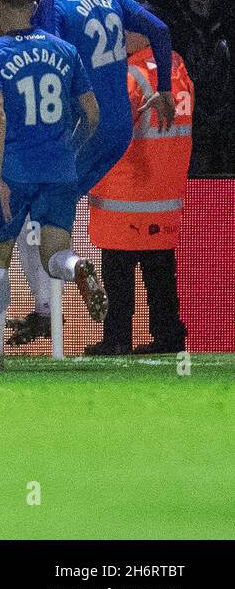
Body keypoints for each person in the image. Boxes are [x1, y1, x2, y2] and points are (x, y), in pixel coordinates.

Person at [8, 0, 175, 347]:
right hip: (119, 130)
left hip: (83, 127)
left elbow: (58, 67)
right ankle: (61, 287)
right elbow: (162, 30)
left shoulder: (51, 6)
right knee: (49, 209)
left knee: (31, 212)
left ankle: (52, 304)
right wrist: (166, 88)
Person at [0, 0, 106, 371]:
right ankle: (78, 268)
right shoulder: (66, 51)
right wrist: (69, 151)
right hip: (60, 169)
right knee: (54, 256)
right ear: (32, 6)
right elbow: (92, 115)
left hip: (13, 169)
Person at [84, 32, 194, 355]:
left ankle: (117, 338)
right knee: (160, 274)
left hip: (125, 196)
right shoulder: (175, 65)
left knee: (118, 275)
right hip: (165, 195)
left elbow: (108, 127)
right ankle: (169, 337)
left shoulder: (129, 73)